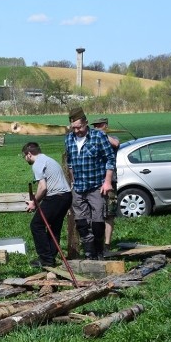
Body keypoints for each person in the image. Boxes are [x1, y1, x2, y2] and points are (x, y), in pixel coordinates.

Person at [64, 107, 115, 260]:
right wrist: (72, 181)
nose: (77, 130)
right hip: (78, 188)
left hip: (96, 186)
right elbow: (70, 163)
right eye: (74, 127)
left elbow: (110, 160)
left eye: (80, 126)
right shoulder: (69, 139)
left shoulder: (98, 137)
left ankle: (99, 252)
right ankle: (89, 252)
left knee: (98, 223)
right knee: (81, 224)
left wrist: (107, 182)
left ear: (86, 122)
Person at [23, 142, 73, 268]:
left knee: (36, 225)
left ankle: (45, 258)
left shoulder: (38, 163)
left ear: (29, 154)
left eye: (24, 156)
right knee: (54, 227)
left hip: (55, 197)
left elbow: (43, 187)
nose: (25, 159)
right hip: (66, 196)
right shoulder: (48, 159)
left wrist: (34, 203)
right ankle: (50, 257)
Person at [92, 117, 120, 248]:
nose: (96, 128)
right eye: (95, 126)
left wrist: (103, 135)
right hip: (95, 181)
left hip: (110, 181)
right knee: (95, 213)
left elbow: (116, 144)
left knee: (109, 213)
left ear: (105, 126)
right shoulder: (92, 140)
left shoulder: (111, 137)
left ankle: (107, 243)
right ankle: (95, 241)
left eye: (99, 126)